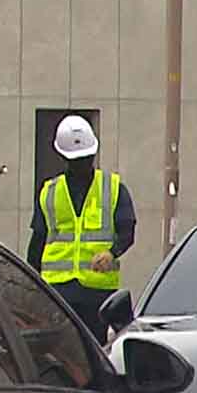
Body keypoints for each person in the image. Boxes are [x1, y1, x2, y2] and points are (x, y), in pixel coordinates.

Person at [27, 115, 136, 344]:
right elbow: (38, 242)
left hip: (96, 290)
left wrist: (112, 252)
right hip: (58, 289)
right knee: (63, 352)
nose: (81, 164)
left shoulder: (112, 188)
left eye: (84, 159)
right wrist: (32, 284)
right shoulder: (49, 192)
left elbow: (128, 231)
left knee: (91, 349)